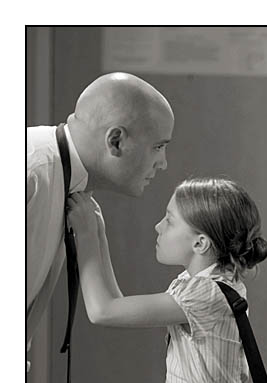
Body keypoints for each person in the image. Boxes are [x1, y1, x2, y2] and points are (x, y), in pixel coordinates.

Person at [67, 176, 267, 383]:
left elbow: (102, 311)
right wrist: (99, 231)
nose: (158, 226)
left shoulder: (205, 294)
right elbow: (117, 303)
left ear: (200, 244)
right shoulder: (199, 283)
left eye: (169, 221)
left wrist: (86, 234)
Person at [27, 72, 174, 347]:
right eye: (158, 147)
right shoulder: (31, 170)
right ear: (115, 141)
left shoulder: (70, 183)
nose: (163, 163)